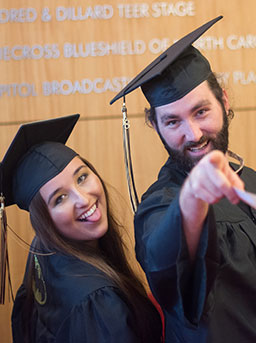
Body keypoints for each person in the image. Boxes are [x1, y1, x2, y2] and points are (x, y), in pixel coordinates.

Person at [110, 16, 256, 342]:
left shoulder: (250, 180)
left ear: (224, 101)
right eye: (172, 122)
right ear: (156, 126)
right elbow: (162, 260)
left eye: (201, 111)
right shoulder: (161, 204)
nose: (193, 134)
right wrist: (192, 200)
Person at [3, 114, 163, 342]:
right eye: (60, 198)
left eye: (82, 177)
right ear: (43, 219)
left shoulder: (42, 252)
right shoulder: (97, 302)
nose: (83, 199)